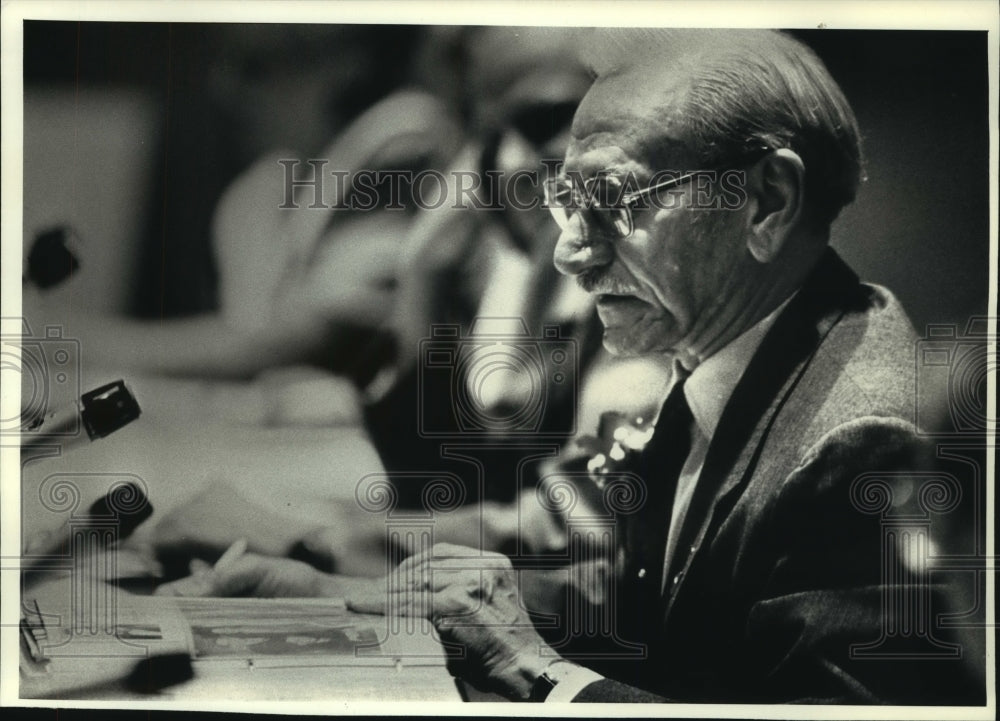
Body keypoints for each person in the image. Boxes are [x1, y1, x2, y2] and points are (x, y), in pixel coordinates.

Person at [156, 29, 982, 704]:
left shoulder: (867, 438)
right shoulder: (735, 347)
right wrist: (351, 593)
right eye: (565, 206)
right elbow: (629, 585)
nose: (570, 255)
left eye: (612, 202)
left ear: (765, 202)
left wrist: (537, 670)